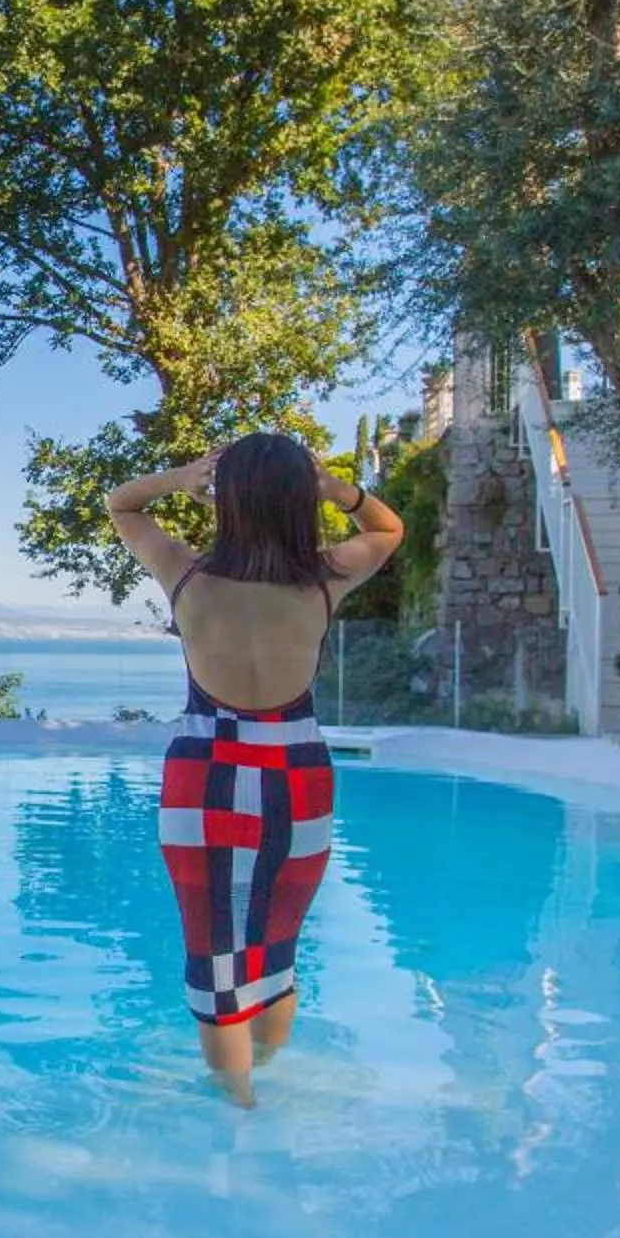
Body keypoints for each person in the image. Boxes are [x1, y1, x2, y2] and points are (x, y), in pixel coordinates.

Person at [105, 436, 403, 1106]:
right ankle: (264, 1067)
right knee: (277, 944)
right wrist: (338, 490)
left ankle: (235, 1100)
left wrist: (183, 475)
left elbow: (121, 505)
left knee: (213, 947)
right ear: (299, 500)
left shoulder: (185, 574)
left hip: (203, 772)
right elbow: (389, 529)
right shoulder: (325, 576)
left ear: (227, 499)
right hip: (295, 772)